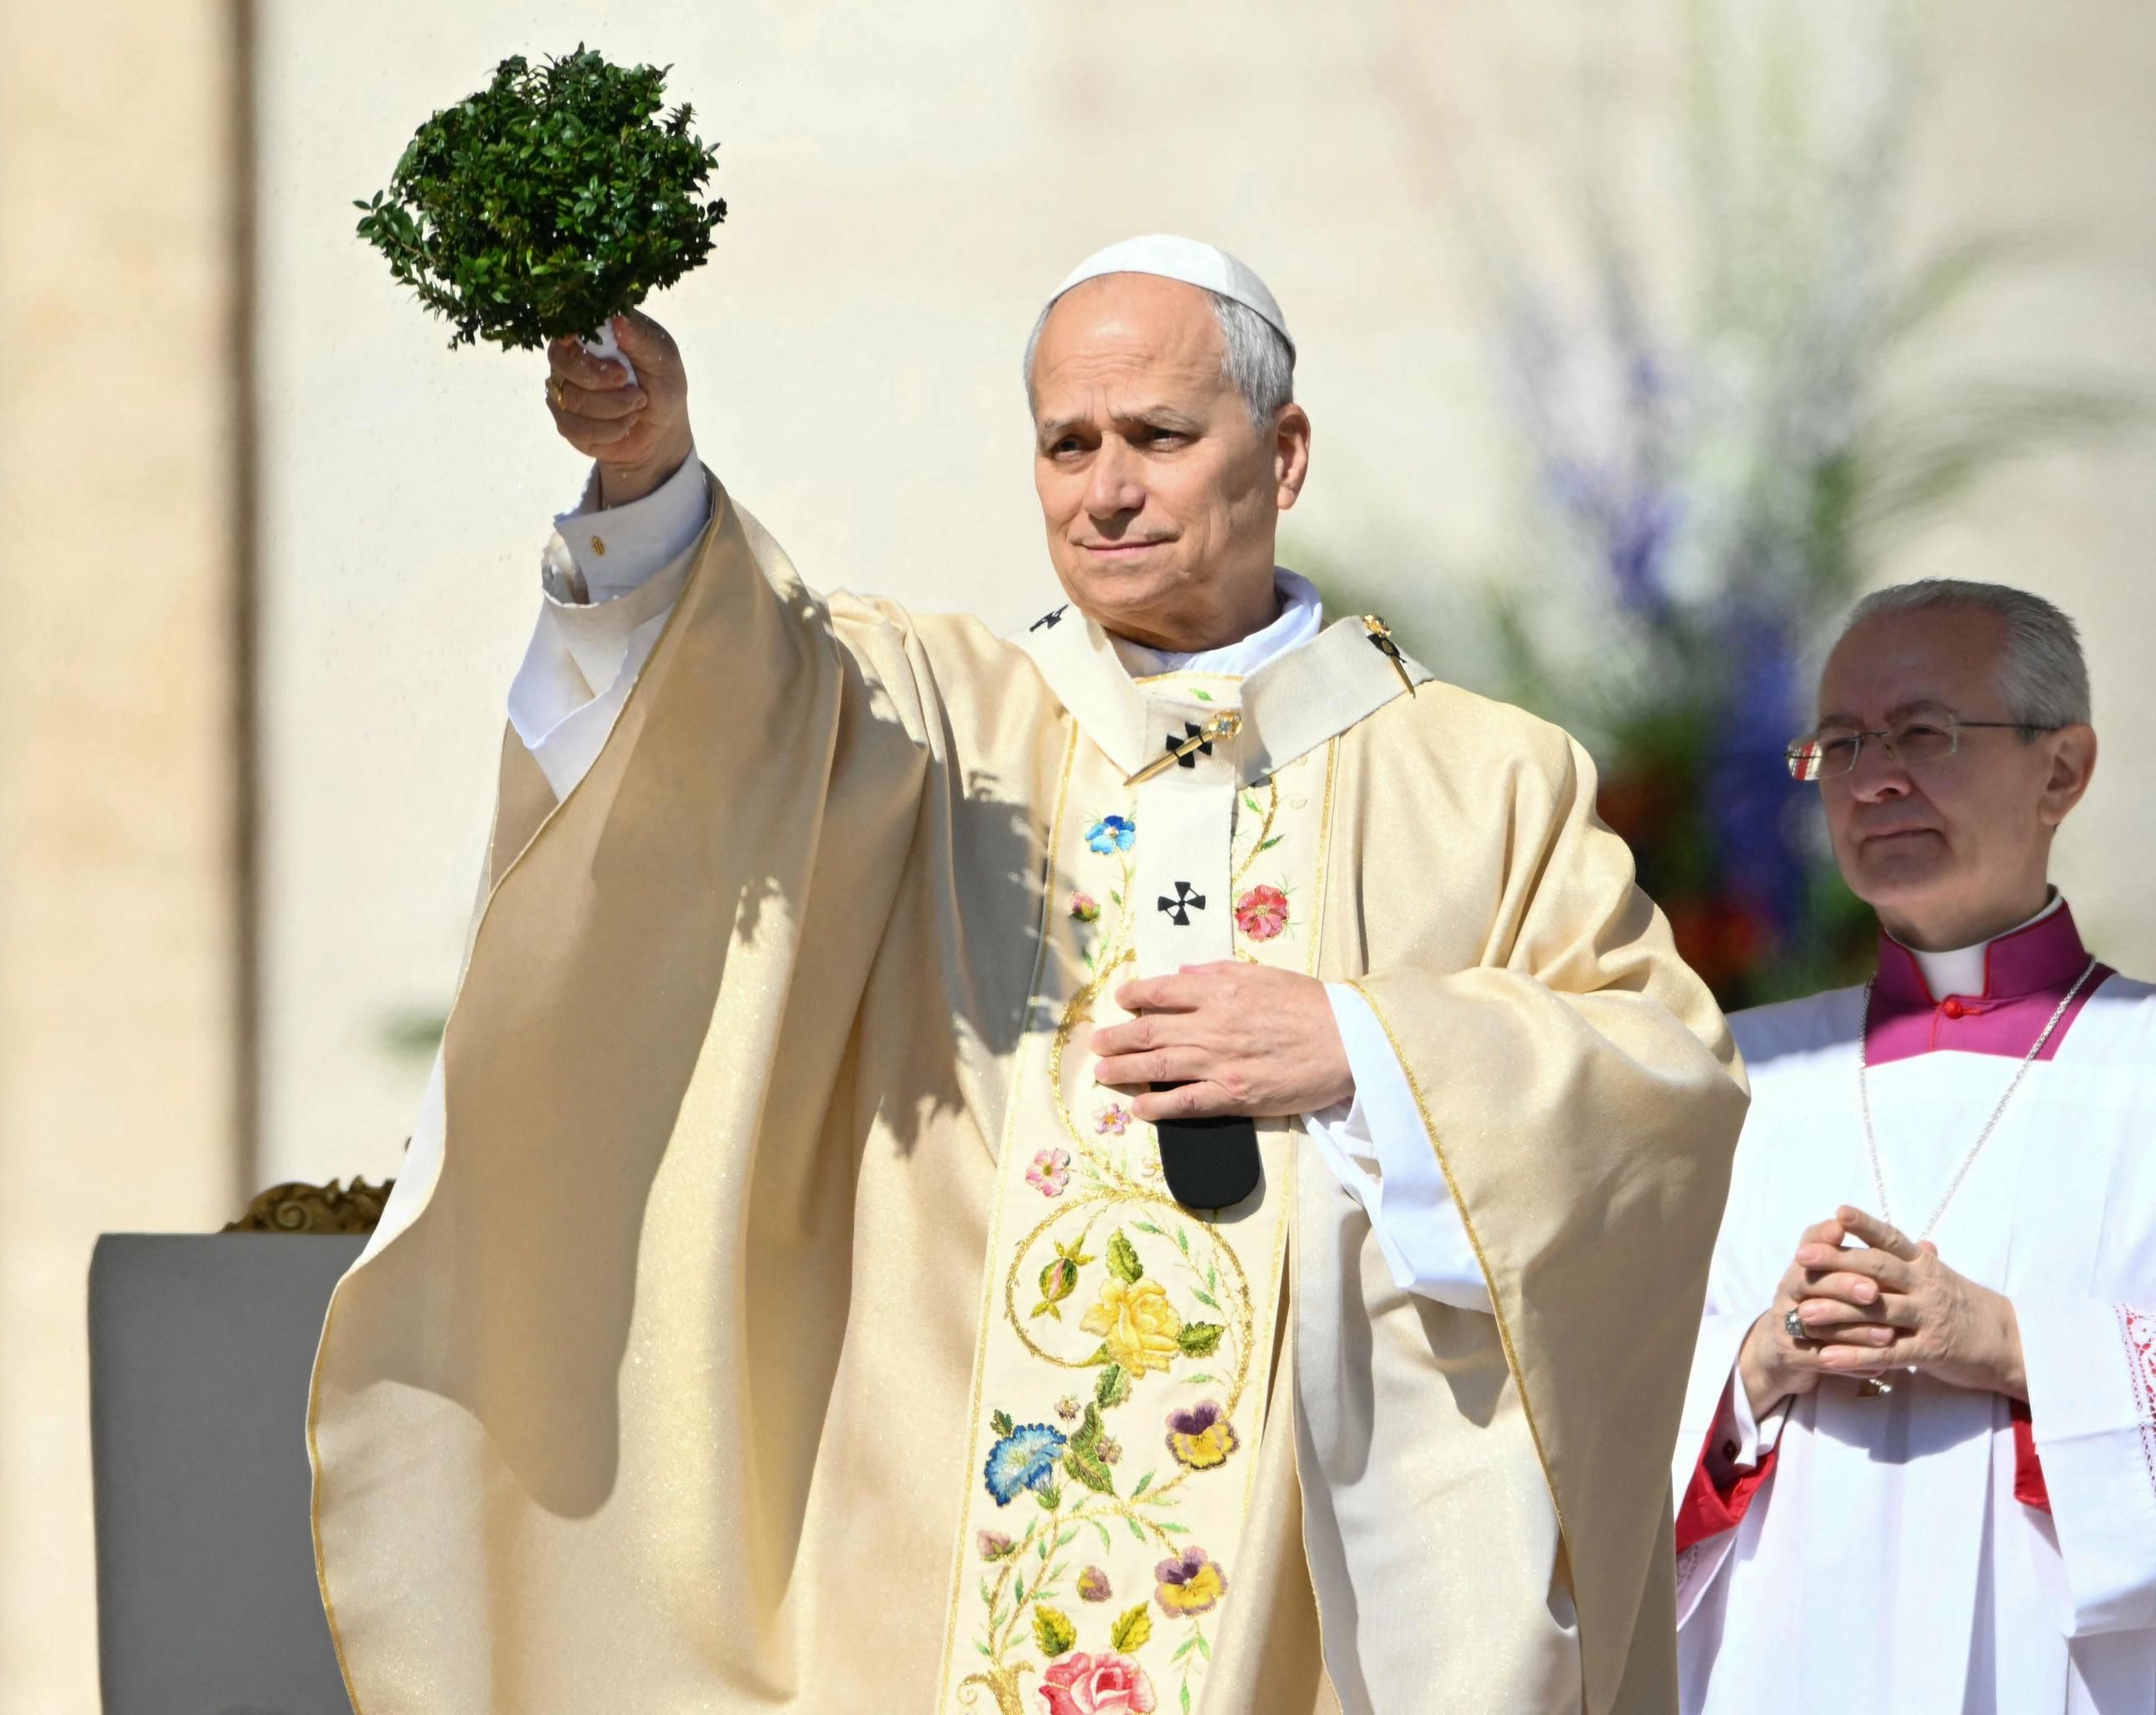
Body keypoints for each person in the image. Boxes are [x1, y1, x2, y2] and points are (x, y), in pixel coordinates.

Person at [310, 234, 1747, 1713]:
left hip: (1312, 1603)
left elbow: (1667, 1078)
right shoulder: (937, 725)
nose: (1106, 490)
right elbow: (725, 692)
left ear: (1286, 452)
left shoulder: (1485, 779)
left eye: (1158, 439)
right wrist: (654, 479)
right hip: (940, 1556)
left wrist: (1368, 1050)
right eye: (1068, 444)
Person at [1673, 580, 2156, 1712]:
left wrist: (2010, 1342)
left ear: (2063, 769)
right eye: (1840, 745)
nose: (1875, 777)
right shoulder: (1724, 1074)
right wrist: (1755, 1367)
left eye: (1924, 734)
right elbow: (1591, 1402)